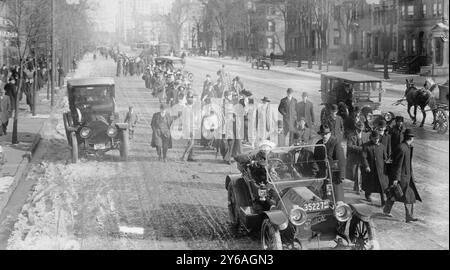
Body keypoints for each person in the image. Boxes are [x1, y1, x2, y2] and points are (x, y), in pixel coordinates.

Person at [383, 129, 422, 223]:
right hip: (402, 177)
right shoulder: (402, 148)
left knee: (395, 194)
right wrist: (396, 178)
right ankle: (408, 217)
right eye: (412, 137)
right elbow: (398, 164)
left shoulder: (405, 147)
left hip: (405, 176)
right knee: (407, 196)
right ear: (411, 138)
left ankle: (386, 210)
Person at [313, 125, 346, 203]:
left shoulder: (335, 143)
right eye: (322, 134)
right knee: (324, 197)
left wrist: (341, 176)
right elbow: (315, 159)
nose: (324, 136)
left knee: (337, 198)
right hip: (323, 175)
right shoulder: (318, 144)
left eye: (326, 134)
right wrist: (316, 172)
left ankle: (339, 211)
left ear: (330, 134)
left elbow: (341, 160)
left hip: (334, 176)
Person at [361, 131, 390, 206]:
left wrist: (388, 162)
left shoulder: (382, 146)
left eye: (377, 138)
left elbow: (385, 158)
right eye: (374, 139)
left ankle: (383, 201)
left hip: (380, 170)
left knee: (381, 186)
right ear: (371, 138)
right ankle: (368, 195)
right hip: (371, 169)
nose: (376, 140)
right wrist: (366, 166)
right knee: (370, 184)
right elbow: (364, 157)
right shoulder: (366, 146)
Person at [346, 121, 369, 194]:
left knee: (360, 172)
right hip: (354, 157)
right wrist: (360, 148)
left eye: (361, 129)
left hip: (363, 157)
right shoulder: (351, 135)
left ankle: (358, 187)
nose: (360, 130)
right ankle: (357, 187)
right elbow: (349, 146)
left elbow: (367, 144)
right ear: (356, 128)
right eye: (359, 129)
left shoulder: (365, 135)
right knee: (355, 172)